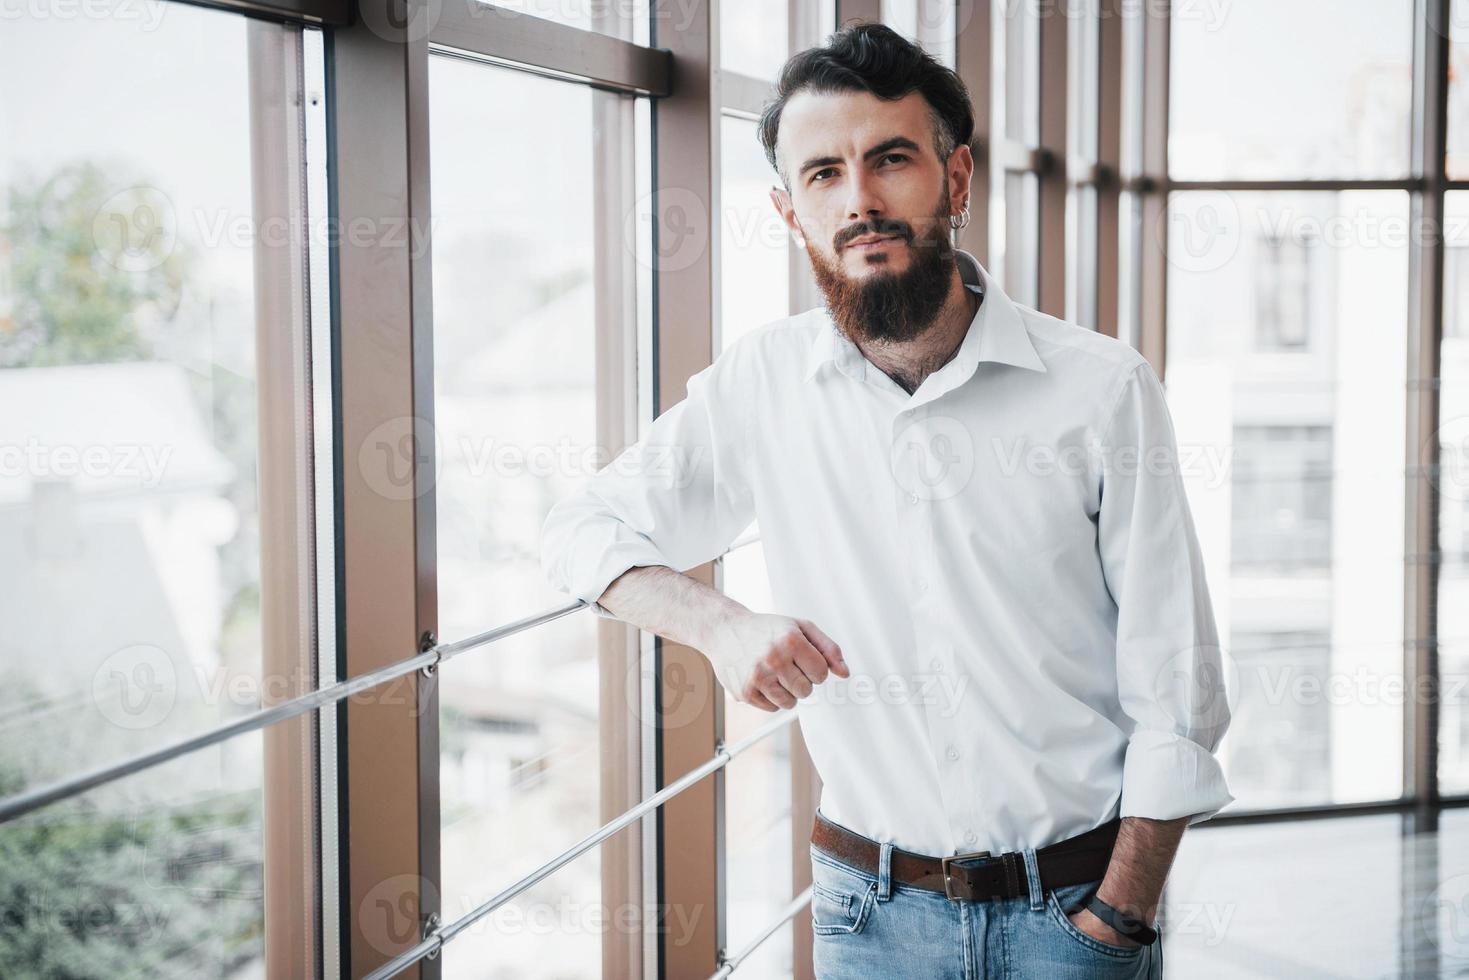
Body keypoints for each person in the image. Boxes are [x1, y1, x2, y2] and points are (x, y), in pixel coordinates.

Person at [540, 21, 1232, 979]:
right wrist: (717, 623)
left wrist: (1118, 917)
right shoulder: (762, 385)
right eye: (822, 174)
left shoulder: (1101, 389)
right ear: (790, 214)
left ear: (955, 179)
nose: (858, 200)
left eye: (889, 160)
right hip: (869, 921)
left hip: (1073, 915)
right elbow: (578, 529)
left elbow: (1179, 683)